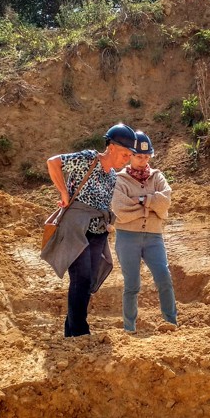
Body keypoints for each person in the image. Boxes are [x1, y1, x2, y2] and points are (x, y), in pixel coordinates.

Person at [44, 124, 137, 337]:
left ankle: (71, 333)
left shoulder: (113, 176)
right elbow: (53, 163)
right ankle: (80, 332)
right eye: (125, 154)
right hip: (76, 229)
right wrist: (63, 193)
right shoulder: (88, 159)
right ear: (111, 147)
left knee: (88, 282)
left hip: (97, 232)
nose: (127, 159)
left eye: (130, 155)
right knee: (81, 278)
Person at [111, 130, 177, 333]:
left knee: (164, 278)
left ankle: (171, 322)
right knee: (132, 285)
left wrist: (139, 201)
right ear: (129, 155)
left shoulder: (157, 176)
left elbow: (165, 201)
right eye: (139, 156)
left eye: (147, 156)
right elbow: (120, 210)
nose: (143, 160)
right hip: (126, 237)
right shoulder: (119, 179)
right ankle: (129, 327)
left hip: (154, 237)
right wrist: (151, 202)